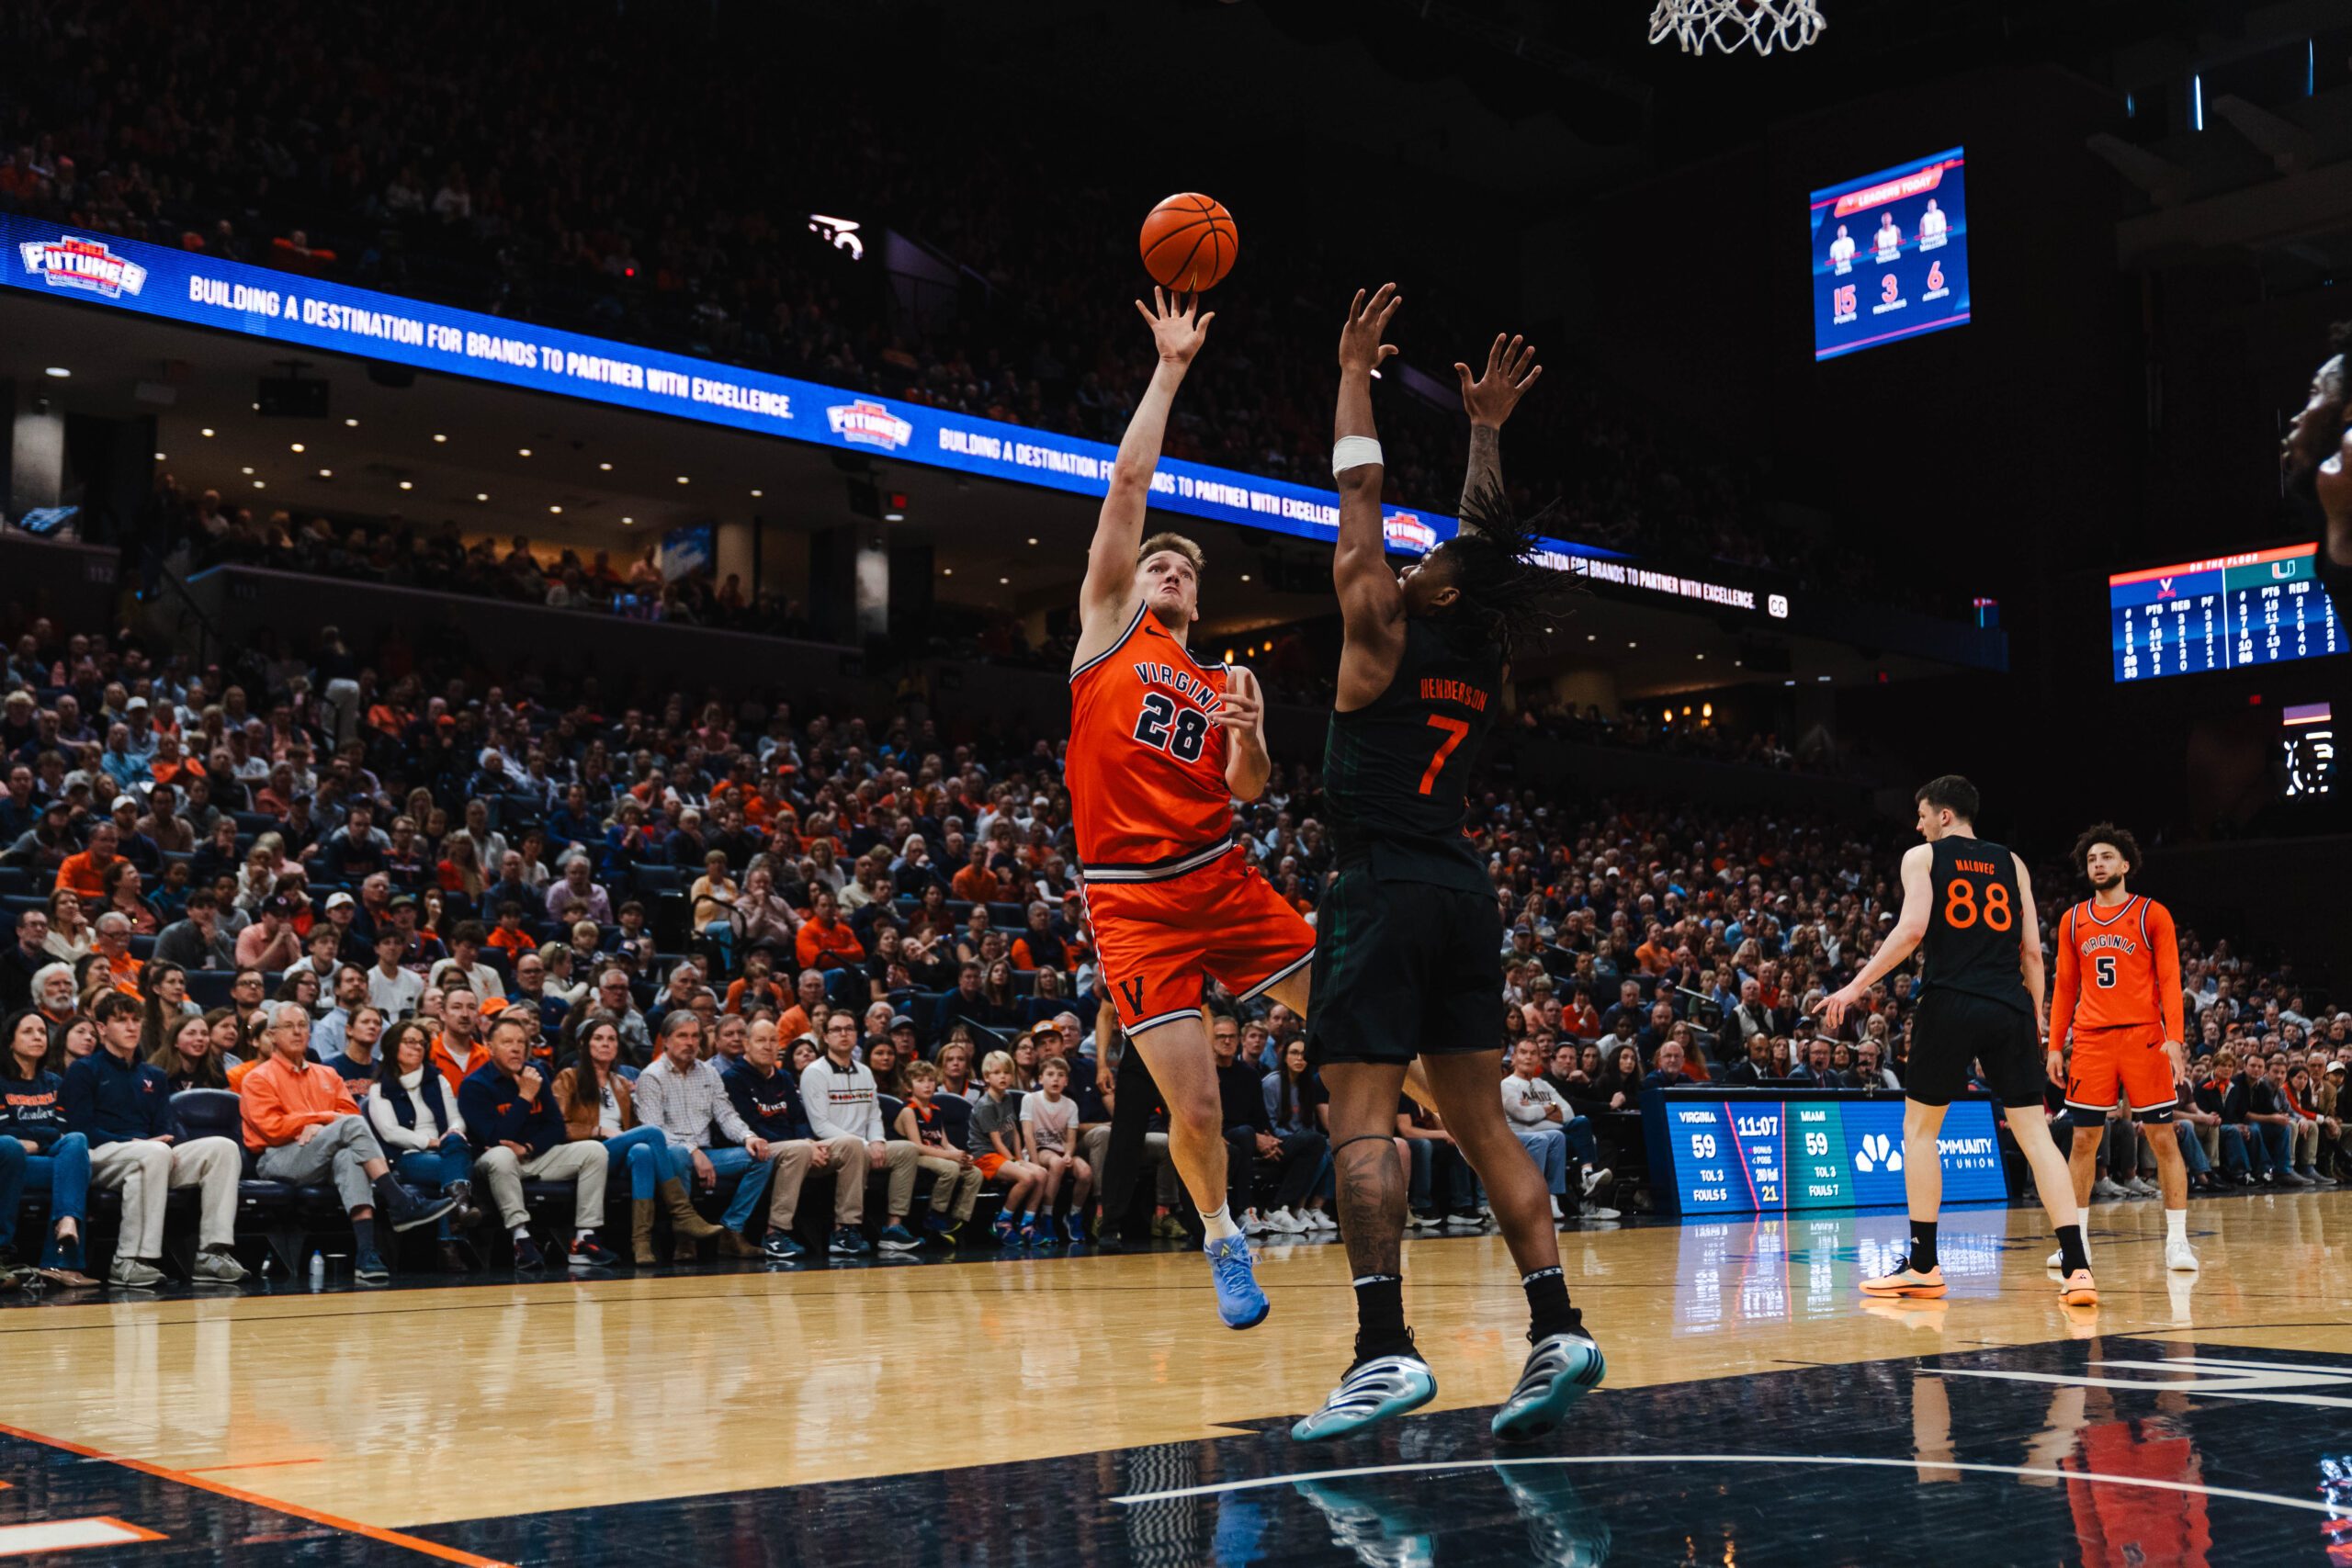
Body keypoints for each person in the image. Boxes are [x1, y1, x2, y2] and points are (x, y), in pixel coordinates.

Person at [1293, 293, 1597, 1444]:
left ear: (1439, 588)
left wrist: (1355, 371)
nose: (1409, 561)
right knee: (1481, 1126)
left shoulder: (1379, 627)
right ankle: (1555, 1324)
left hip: (1378, 888)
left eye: (1431, 563)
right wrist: (1482, 433)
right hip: (1463, 893)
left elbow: (1358, 492)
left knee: (1362, 1123)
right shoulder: (1478, 646)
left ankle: (1383, 1352)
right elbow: (1486, 551)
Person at [1063, 287, 1317, 1330]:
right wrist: (1170, 368)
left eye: (1183, 570)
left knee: (1356, 1014)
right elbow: (1128, 483)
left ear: (1201, 603)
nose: (1166, 569)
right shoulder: (1103, 634)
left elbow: (1250, 789)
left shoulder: (1220, 682)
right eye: (1156, 563)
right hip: (1132, 902)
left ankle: (1472, 1145)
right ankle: (1221, 1237)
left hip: (1222, 878)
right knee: (1198, 1105)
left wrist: (1251, 732)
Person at [1818, 776, 2094, 1305]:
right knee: (2036, 1137)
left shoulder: (1922, 857)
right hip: (2010, 1004)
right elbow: (2034, 955)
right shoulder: (2013, 863)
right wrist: (2032, 1020)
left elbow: (1912, 928)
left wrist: (1855, 986)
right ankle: (2078, 1269)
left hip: (1949, 1001)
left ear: (1944, 816)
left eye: (1922, 815)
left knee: (1920, 1132)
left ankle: (1923, 1265)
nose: (1917, 825)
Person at [2045, 823, 2196, 1275]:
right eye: (2092, 859)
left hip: (2144, 1035)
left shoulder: (2153, 914)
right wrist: (2056, 1044)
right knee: (2084, 1140)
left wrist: (2174, 1038)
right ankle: (2077, 1245)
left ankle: (2178, 1242)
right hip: (2091, 1040)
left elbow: (2170, 979)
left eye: (2107, 857)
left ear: (2126, 864)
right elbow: (2065, 986)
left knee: (2163, 1136)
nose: (2098, 865)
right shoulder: (2073, 920)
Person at [242, 1001, 459, 1283]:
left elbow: (351, 1114)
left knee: (350, 1155)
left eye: (302, 1025)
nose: (297, 1032)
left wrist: (319, 1126)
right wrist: (323, 1120)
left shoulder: (327, 1074)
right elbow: (272, 1128)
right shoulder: (257, 1078)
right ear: (271, 1034)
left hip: (323, 1156)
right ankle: (400, 1201)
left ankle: (366, 1255)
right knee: (351, 1131)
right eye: (288, 1026)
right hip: (278, 1158)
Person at [63, 990, 249, 1289]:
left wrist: (157, 1145)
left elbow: (164, 1128)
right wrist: (137, 1142)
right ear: (101, 1028)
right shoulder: (84, 1070)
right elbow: (80, 1130)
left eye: (136, 1020)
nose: (131, 1026)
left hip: (147, 1156)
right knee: (152, 1154)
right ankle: (130, 1259)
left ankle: (211, 1253)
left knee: (222, 1148)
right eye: (121, 1020)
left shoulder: (154, 1075)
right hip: (97, 1155)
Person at [552, 1016, 722, 1265]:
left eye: (611, 1039)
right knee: (652, 1132)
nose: (605, 1044)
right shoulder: (568, 1078)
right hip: (587, 1153)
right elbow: (559, 1128)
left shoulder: (621, 1083)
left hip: (619, 1155)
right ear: (583, 1044)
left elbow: (634, 1131)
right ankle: (682, 1212)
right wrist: (599, 1130)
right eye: (598, 1038)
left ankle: (641, 1243)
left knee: (642, 1150)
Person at [458, 1010, 618, 1271]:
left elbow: (556, 1127)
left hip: (535, 1155)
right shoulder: (474, 1086)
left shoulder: (537, 1073)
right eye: (507, 1042)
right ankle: (521, 1238)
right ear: (490, 1047)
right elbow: (496, 1138)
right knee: (501, 1154)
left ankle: (584, 1238)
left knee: (594, 1150)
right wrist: (524, 1097)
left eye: (521, 1042)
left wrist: (529, 1147)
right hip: (492, 1166)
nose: (516, 1049)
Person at [627, 1011, 775, 1258]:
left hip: (709, 1154)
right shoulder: (651, 1076)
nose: (690, 1042)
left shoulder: (709, 1073)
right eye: (682, 1036)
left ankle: (731, 1231)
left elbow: (726, 1115)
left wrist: (749, 1137)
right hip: (672, 1155)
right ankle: (684, 1239)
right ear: (665, 1040)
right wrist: (691, 1150)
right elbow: (653, 1129)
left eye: (695, 1036)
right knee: (676, 1154)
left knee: (762, 1158)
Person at [365, 1020, 484, 1271]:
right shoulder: (380, 1088)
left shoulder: (437, 1081)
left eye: (421, 1043)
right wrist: (429, 1141)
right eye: (409, 1042)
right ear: (393, 1046)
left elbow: (455, 1118)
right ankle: (455, 1227)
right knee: (457, 1165)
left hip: (446, 1149)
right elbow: (390, 1132)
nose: (417, 1047)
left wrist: (453, 1131)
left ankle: (451, 1234)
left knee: (454, 1151)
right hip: (408, 1156)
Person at [800, 1008, 922, 1251]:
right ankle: (843, 1230)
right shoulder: (814, 1072)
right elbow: (820, 1125)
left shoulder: (865, 1071)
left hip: (864, 1146)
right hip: (829, 1148)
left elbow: (874, 1116)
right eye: (836, 1029)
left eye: (848, 1029)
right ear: (825, 1036)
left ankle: (893, 1229)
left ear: (856, 1034)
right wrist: (864, 1144)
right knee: (854, 1147)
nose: (843, 1034)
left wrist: (877, 1140)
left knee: (907, 1150)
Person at [0, 1007, 91, 1272]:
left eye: (41, 1031)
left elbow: (61, 1131)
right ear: (10, 1041)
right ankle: (62, 1262)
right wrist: (44, 1139)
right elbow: (7, 1136)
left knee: (76, 1141)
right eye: (27, 1032)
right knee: (72, 1169)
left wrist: (35, 1142)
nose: (38, 1037)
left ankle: (67, 1224)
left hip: (40, 1162)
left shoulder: (55, 1083)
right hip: (11, 1165)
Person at [894, 1058, 984, 1243]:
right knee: (949, 1169)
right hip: (915, 1157)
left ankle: (958, 1218)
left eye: (930, 1080)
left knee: (974, 1172)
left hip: (938, 1154)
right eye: (920, 1081)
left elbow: (944, 1142)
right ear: (909, 1087)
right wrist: (951, 1157)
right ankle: (935, 1213)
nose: (927, 1085)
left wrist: (961, 1156)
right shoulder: (909, 1111)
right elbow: (917, 1146)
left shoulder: (936, 1110)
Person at [967, 1048, 1046, 1245]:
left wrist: (1019, 1158)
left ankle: (1028, 1222)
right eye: (997, 1073)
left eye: (1006, 1072)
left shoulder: (1008, 1098)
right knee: (1027, 1177)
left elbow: (1013, 1131)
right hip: (985, 1156)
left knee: (1042, 1174)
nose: (1002, 1076)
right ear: (986, 1077)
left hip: (1004, 1155)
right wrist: (1014, 1162)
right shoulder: (985, 1105)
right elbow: (996, 1141)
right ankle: (1002, 1221)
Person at [1016, 1055, 1094, 1246]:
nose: (1055, 1079)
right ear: (1041, 1078)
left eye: (1060, 1075)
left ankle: (1074, 1215)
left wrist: (1068, 1154)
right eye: (1050, 1074)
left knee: (1085, 1172)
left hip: (1060, 1152)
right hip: (1038, 1150)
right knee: (1056, 1163)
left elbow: (1070, 1139)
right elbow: (1027, 1135)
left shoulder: (1070, 1105)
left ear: (1066, 1081)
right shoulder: (1030, 1099)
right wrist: (1035, 1165)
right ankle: (1047, 1216)